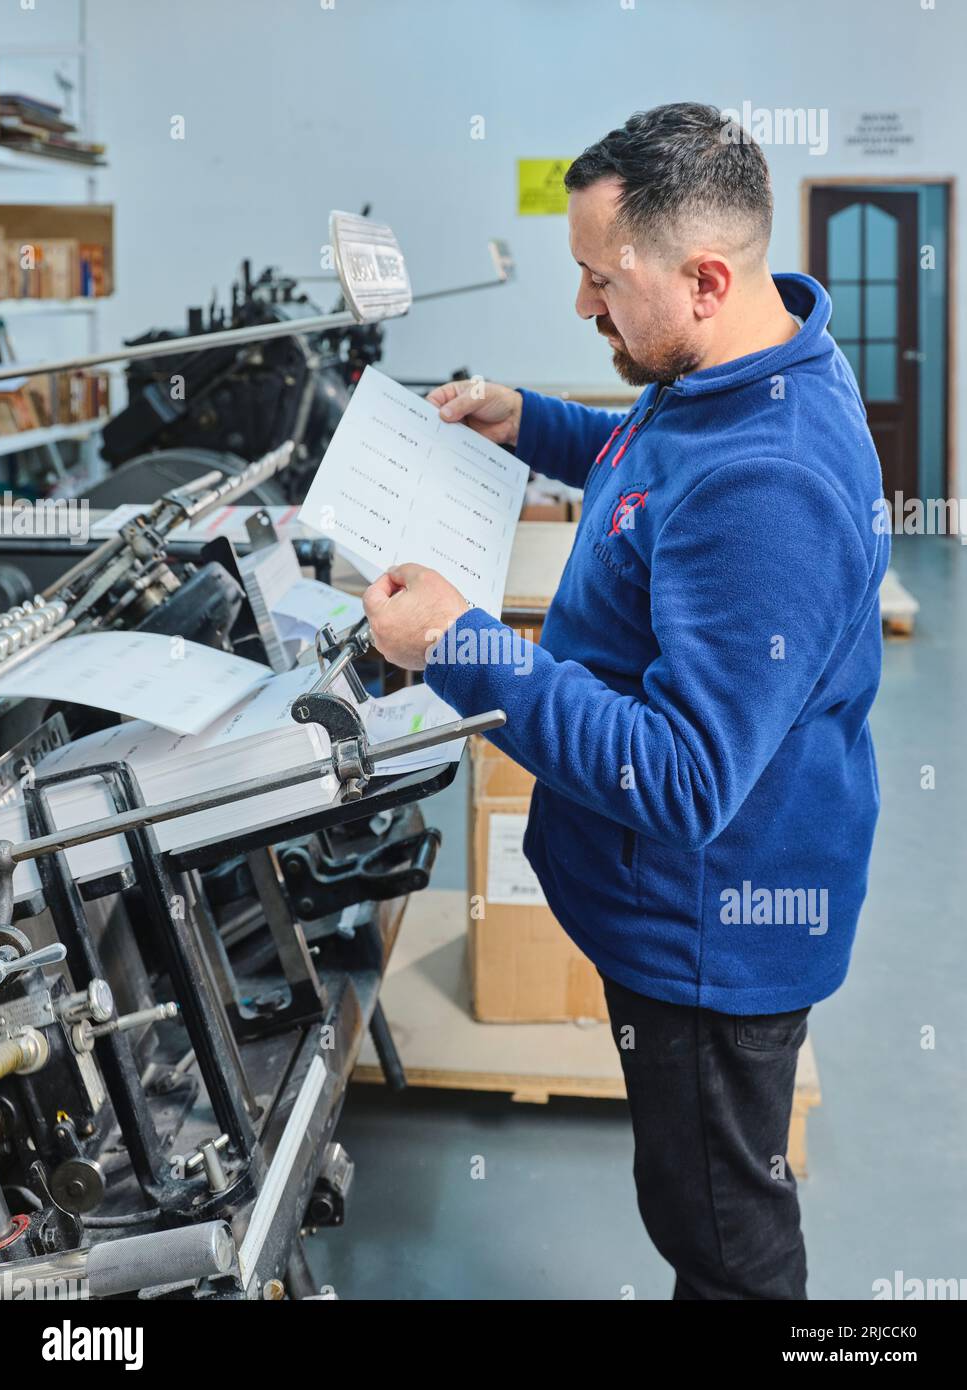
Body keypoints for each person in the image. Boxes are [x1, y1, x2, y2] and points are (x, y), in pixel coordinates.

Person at [362, 102, 889, 1300]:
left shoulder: (776, 478)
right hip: (683, 914)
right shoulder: (734, 358)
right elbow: (652, 469)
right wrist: (527, 422)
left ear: (703, 277)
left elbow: (684, 775)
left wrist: (459, 642)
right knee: (701, 1205)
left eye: (603, 279)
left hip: (713, 938)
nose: (585, 305)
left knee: (722, 1241)